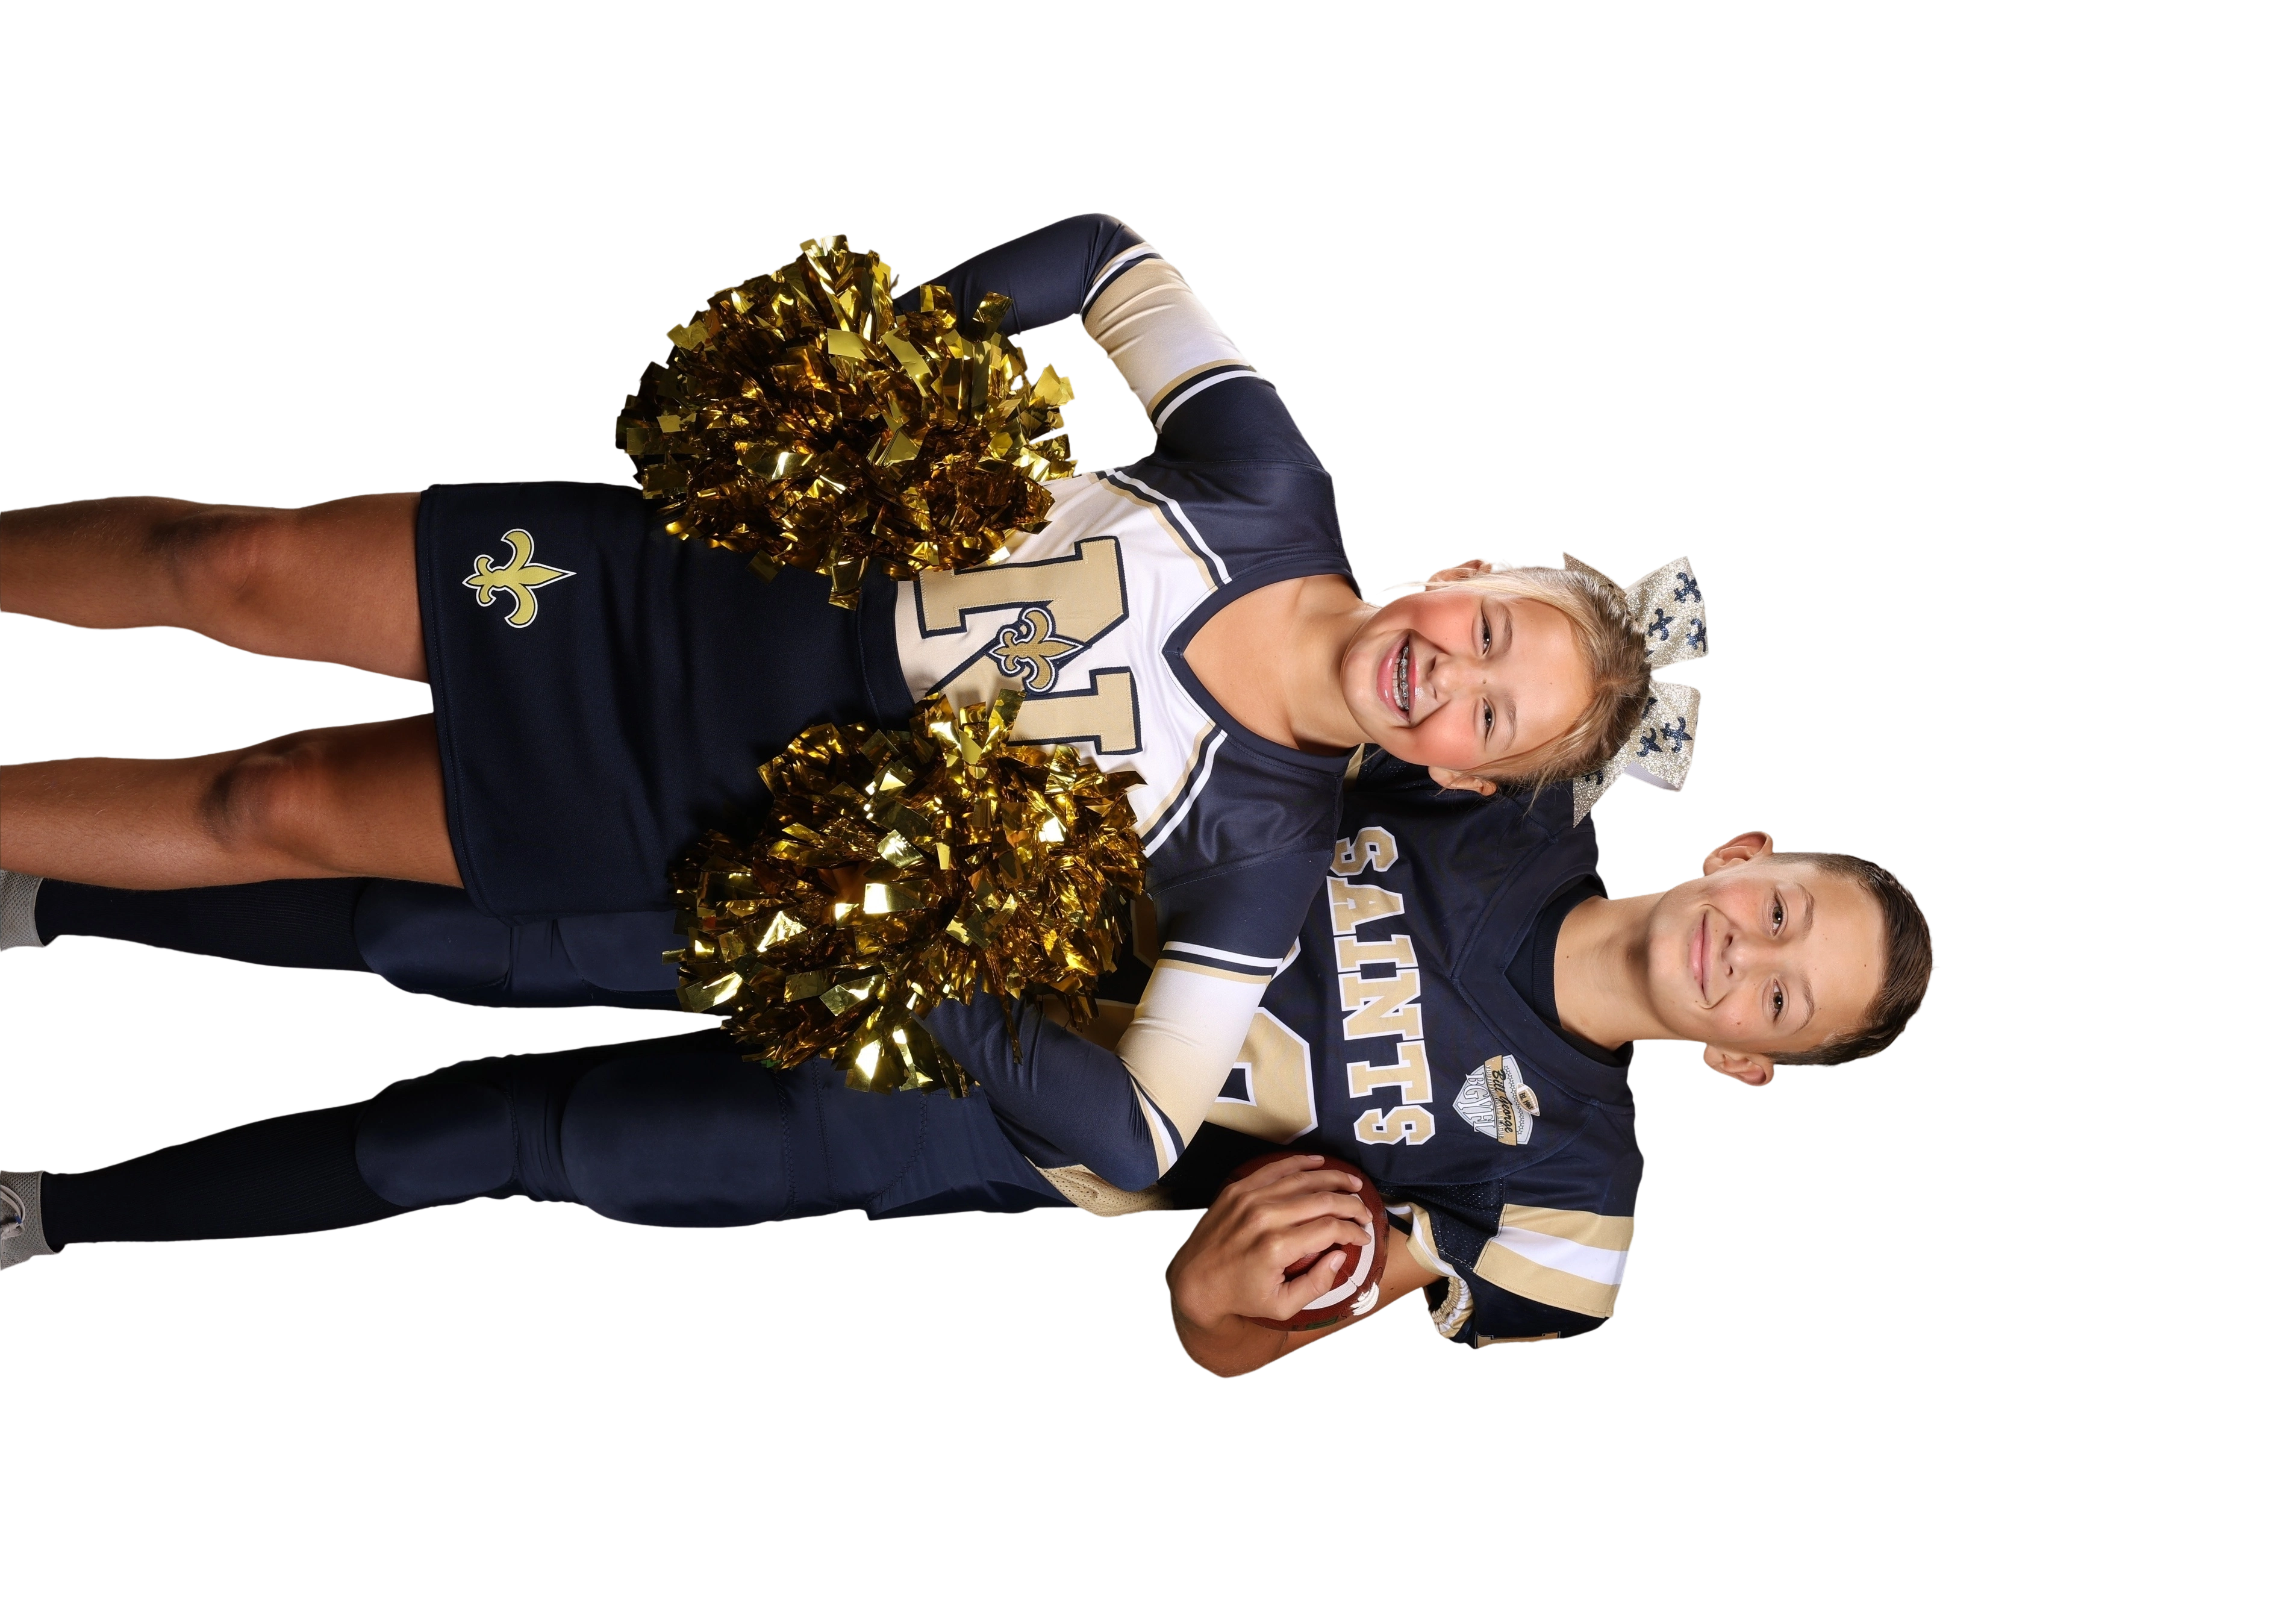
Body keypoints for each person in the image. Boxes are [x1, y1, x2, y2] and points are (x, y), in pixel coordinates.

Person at [0, 213, 1655, 1182]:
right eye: (1495, 629)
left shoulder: (1267, 856)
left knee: (271, 803)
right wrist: (885, 366)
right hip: (685, 578)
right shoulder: (1272, 481)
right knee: (235, 564)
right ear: (1471, 574)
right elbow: (1109, 259)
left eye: (1492, 718)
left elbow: (1144, 1132)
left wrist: (919, 972)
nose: (1456, 674)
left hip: (687, 807)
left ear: (1466, 775)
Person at [2, 756, 1938, 1378]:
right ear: (1741, 856)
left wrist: (1216, 1305)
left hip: (961, 1117)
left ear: (1752, 1071)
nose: (1748, 958)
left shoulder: (1569, 1206)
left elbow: (1232, 1334)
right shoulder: (1516, 788)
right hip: (936, 898)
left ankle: (55, 1214)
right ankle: (53, 901)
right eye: (1782, 914)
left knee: (501, 1130)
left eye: (1785, 1002)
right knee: (466, 935)